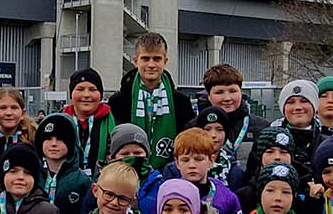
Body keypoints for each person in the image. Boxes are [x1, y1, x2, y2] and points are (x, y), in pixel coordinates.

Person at [108, 32, 195, 171]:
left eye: (157, 59)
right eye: (145, 59)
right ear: (136, 61)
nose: (151, 64)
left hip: (170, 172)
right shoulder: (119, 101)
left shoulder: (180, 101)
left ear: (165, 61)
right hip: (127, 171)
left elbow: (188, 140)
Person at [139, 127, 243, 214]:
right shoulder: (165, 194)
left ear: (211, 160)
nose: (192, 165)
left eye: (198, 159)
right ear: (177, 162)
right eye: (185, 160)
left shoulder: (226, 197)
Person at [33, 114, 93, 214]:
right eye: (48, 138)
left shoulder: (83, 181)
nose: (53, 144)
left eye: (60, 139)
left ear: (71, 142)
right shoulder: (32, 176)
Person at [200, 64, 253, 181]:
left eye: (233, 91)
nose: (227, 98)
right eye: (219, 92)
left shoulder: (260, 127)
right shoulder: (194, 128)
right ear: (208, 96)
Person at [63, 67, 116, 176]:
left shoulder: (113, 120)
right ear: (71, 94)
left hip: (103, 182)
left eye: (92, 89)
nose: (86, 95)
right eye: (80, 89)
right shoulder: (59, 121)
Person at [267, 79, 323, 168]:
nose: (297, 107)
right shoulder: (267, 140)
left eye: (304, 101)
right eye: (291, 102)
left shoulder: (327, 140)